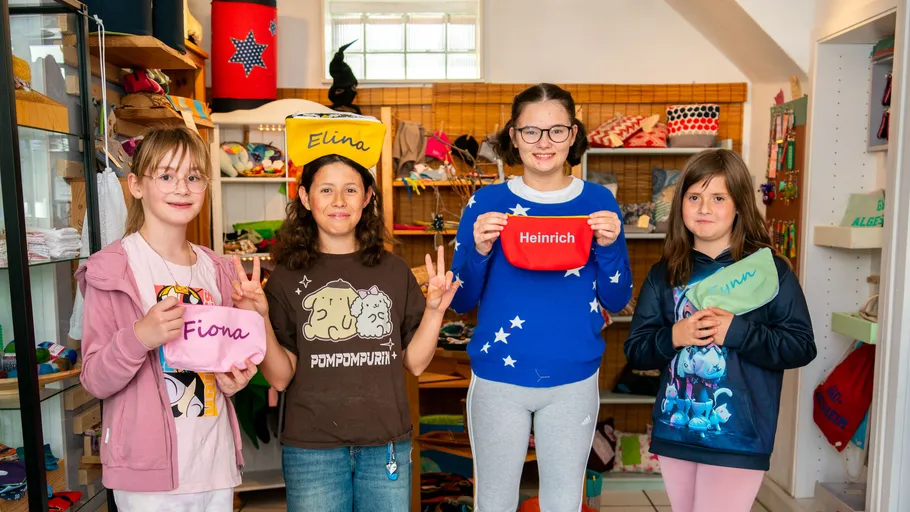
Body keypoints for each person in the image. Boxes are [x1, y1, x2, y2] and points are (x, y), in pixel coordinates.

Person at [243, 112, 458, 512]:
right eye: (325, 190)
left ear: (368, 197)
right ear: (305, 198)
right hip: (312, 450)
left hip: (386, 446)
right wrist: (258, 317)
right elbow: (280, 375)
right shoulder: (287, 278)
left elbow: (414, 363)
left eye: (350, 190)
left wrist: (433, 312)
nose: (338, 201)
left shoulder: (393, 271)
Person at [449, 83, 633, 511]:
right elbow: (460, 302)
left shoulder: (598, 201)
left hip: (574, 380)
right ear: (513, 136)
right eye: (531, 131)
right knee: (493, 502)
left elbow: (618, 295)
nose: (543, 143)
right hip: (497, 380)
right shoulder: (486, 203)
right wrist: (477, 252)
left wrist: (608, 249)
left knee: (563, 503)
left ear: (573, 134)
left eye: (556, 130)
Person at [624, 149, 816, 512]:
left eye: (718, 198)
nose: (704, 208)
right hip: (675, 430)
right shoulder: (663, 275)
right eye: (694, 197)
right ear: (681, 204)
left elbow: (800, 346)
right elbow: (636, 350)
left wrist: (738, 332)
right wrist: (674, 336)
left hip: (739, 438)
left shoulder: (770, 271)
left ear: (740, 204)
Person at [76, 126, 258, 512]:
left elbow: (223, 368)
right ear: (136, 185)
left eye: (193, 177)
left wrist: (234, 379)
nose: (182, 188)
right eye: (166, 176)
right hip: (147, 474)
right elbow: (94, 379)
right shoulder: (112, 269)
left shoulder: (218, 269)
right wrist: (139, 336)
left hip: (214, 464)